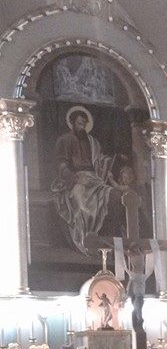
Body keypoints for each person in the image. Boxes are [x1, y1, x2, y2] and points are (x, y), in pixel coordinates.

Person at [51, 108, 118, 255]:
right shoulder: (64, 140)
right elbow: (62, 164)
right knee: (81, 206)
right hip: (76, 178)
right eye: (79, 123)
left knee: (111, 195)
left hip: (95, 179)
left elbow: (99, 161)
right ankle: (84, 243)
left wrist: (107, 162)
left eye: (84, 124)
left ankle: (103, 244)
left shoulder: (93, 142)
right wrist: (71, 176)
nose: (82, 127)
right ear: (72, 123)